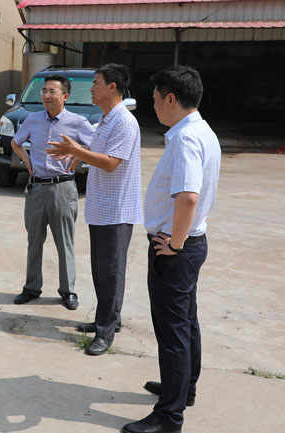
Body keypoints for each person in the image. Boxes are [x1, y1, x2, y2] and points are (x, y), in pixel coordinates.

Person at [122, 65, 221, 433]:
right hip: (190, 244)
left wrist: (175, 245)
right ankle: (183, 389)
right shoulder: (202, 130)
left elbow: (188, 197)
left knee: (172, 333)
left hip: (176, 248)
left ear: (171, 99)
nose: (153, 105)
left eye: (154, 99)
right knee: (186, 322)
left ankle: (169, 416)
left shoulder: (185, 139)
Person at [47, 64, 143, 355]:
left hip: (117, 210)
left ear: (112, 88)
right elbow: (101, 156)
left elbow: (112, 163)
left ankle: (105, 332)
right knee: (102, 271)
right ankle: (108, 318)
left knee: (111, 273)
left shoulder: (124, 122)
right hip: (102, 208)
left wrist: (76, 151)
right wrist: (81, 155)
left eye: (96, 83)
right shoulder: (105, 120)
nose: (91, 89)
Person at [10, 74, 95, 310]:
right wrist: (27, 161)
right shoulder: (33, 119)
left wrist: (78, 154)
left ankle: (68, 290)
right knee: (34, 241)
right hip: (36, 188)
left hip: (63, 189)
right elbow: (16, 142)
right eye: (44, 91)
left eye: (52, 91)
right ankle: (32, 287)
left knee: (64, 241)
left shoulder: (77, 122)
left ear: (65, 96)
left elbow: (96, 145)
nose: (46, 95)